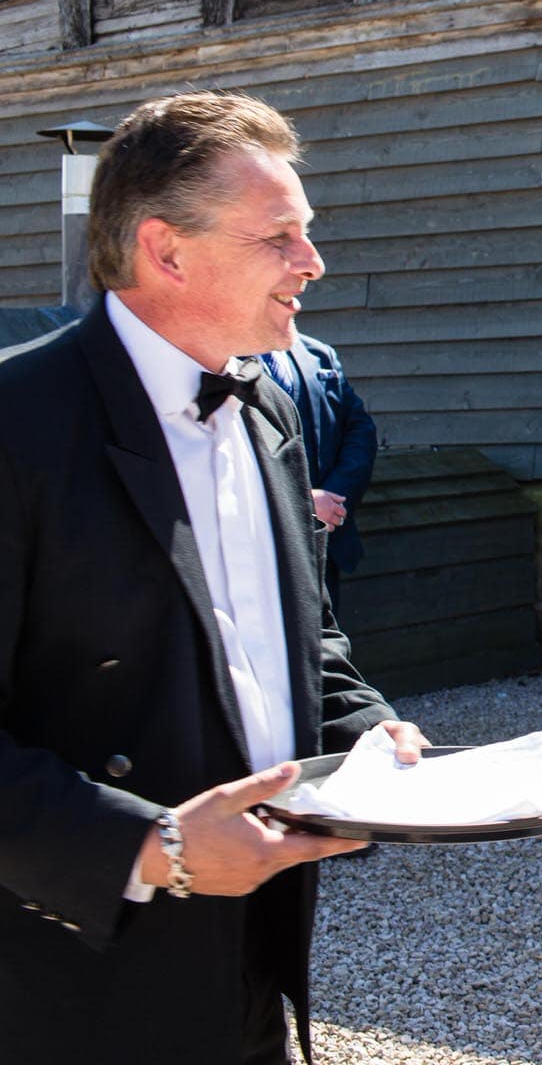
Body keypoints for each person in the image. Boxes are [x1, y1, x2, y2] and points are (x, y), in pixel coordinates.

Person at [0, 91, 426, 1063]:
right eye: (280, 236)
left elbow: (303, 642)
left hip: (256, 971)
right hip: (73, 990)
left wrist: (372, 736)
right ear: (168, 249)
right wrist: (158, 848)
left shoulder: (269, 409)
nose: (311, 263)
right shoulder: (16, 425)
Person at [259, 330, 378, 602]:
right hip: (262, 549)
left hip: (324, 547)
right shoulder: (224, 358)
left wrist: (333, 500)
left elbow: (359, 430)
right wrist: (303, 505)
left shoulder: (319, 355)